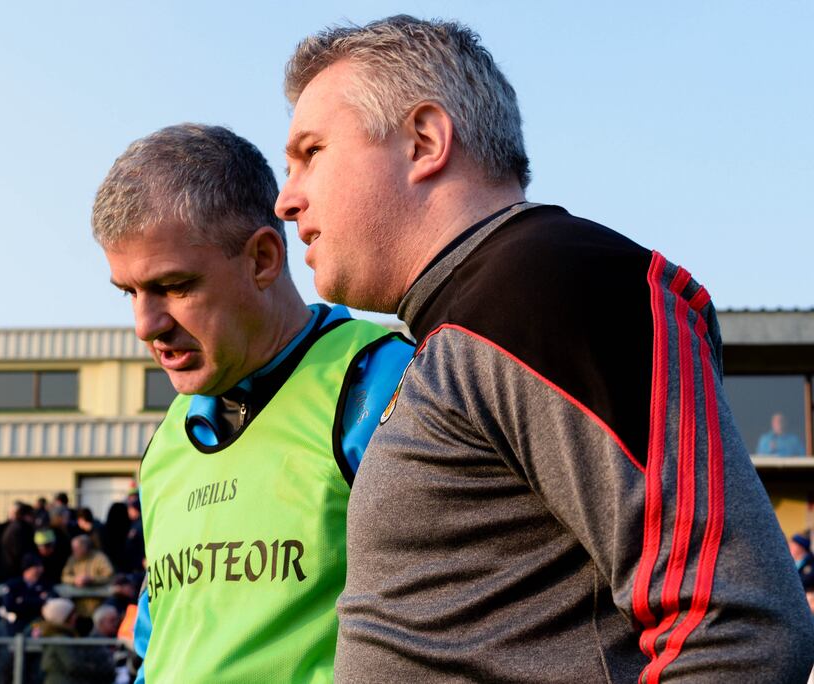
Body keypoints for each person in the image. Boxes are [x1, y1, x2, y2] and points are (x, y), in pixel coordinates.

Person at [275, 15, 814, 681]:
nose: (285, 199)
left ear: (422, 140)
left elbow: (737, 627)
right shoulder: (469, 321)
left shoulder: (548, 284)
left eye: (311, 153)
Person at [91, 123, 412, 682]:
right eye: (130, 293)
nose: (147, 326)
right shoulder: (169, 437)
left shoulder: (382, 384)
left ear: (263, 258)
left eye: (174, 285)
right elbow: (160, 642)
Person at [38, 597, 116, 684]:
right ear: (64, 618)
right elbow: (73, 665)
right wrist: (95, 668)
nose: (76, 616)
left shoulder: (64, 637)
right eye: (72, 614)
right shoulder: (60, 640)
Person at [2, 553, 53, 632]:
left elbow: (48, 603)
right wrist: (37, 600)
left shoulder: (45, 584)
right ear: (28, 568)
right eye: (37, 566)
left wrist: (22, 600)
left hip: (37, 623)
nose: (41, 569)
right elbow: (9, 606)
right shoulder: (13, 584)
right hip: (16, 623)